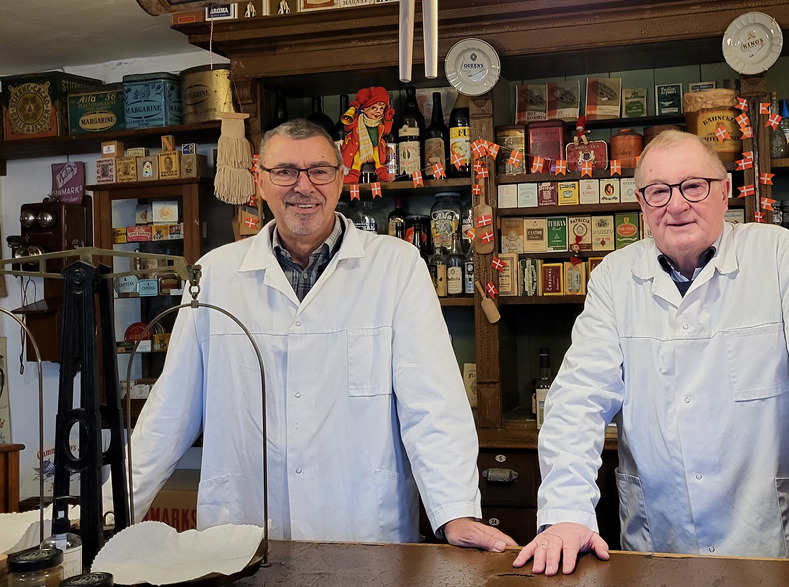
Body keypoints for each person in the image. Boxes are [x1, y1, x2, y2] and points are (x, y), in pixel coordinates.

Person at [105, 119, 515, 553]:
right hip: (243, 531)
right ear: (259, 180)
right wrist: (102, 518)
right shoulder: (214, 274)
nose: (303, 186)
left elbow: (433, 404)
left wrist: (455, 512)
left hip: (360, 529)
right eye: (284, 172)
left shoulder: (397, 266)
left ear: (341, 179)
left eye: (319, 170)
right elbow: (169, 413)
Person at [512, 130, 789, 585]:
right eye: (658, 191)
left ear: (724, 190)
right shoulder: (615, 278)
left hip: (775, 546)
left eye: (692, 186)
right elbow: (578, 399)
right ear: (641, 203)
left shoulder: (781, 257)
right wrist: (565, 512)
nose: (676, 205)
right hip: (659, 544)